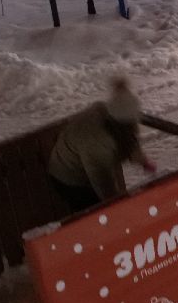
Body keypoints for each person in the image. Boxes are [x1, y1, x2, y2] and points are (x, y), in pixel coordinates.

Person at [47, 77, 157, 213]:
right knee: (91, 213)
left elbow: (130, 139)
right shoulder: (96, 141)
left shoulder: (121, 117)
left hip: (86, 161)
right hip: (69, 177)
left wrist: (142, 161)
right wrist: (116, 206)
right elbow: (102, 181)